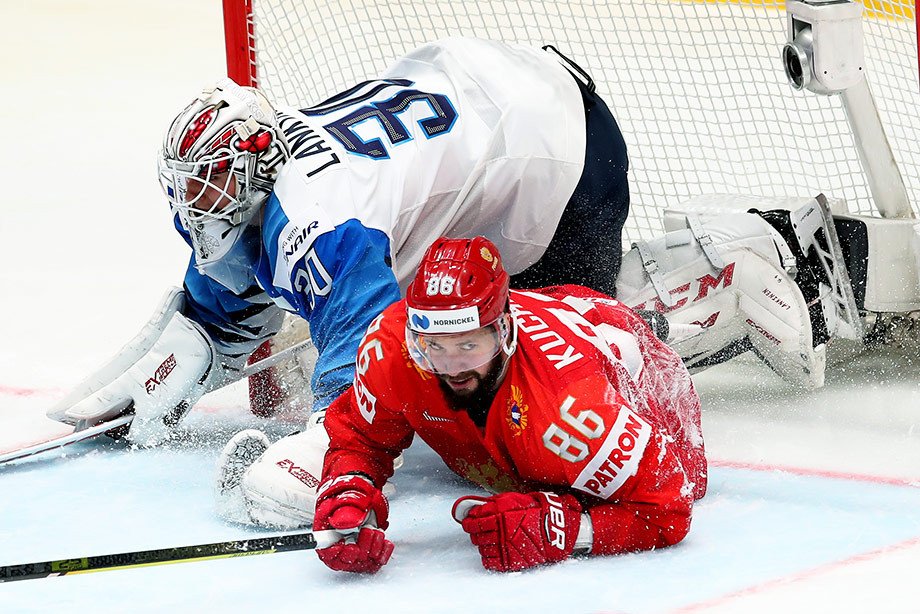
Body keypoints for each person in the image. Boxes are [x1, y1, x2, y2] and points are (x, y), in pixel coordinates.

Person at [45, 38, 629, 449]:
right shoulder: (259, 169)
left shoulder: (319, 227)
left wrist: (337, 452)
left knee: (545, 369)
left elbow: (367, 364)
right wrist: (195, 339)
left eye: (211, 180)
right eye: (189, 184)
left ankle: (650, 316)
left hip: (556, 144)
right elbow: (229, 286)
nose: (196, 201)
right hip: (475, 83)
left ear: (251, 166)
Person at [310, 236, 706, 573]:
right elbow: (360, 437)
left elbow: (667, 510)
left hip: (621, 352)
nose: (450, 368)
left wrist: (565, 531)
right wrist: (348, 490)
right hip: (551, 312)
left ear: (505, 333)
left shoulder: (576, 410)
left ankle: (671, 319)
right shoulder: (391, 348)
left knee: (682, 476)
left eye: (468, 344)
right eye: (433, 346)